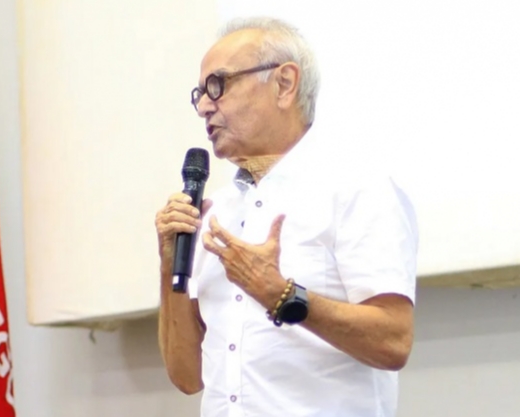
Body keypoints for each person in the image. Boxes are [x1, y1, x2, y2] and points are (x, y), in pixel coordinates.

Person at [155, 16, 418, 417]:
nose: (205, 106)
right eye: (200, 93)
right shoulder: (215, 212)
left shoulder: (356, 188)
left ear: (284, 84)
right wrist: (169, 265)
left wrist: (283, 296)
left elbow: (393, 341)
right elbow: (188, 377)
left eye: (218, 85)